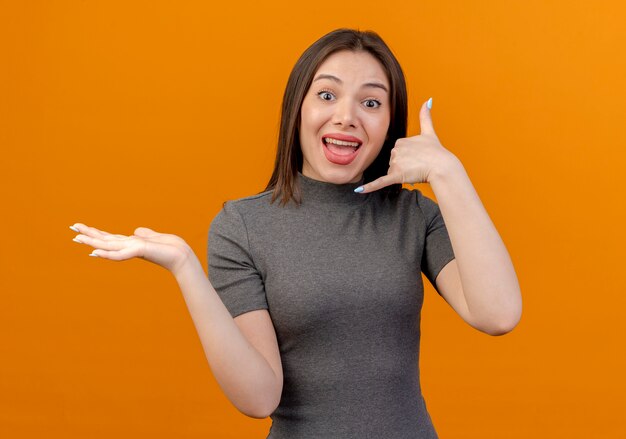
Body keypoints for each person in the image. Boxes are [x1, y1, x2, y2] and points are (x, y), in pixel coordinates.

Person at [70, 28, 522, 438]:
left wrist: (449, 172)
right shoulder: (241, 227)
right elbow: (258, 398)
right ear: (298, 107)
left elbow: (498, 314)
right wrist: (186, 268)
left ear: (390, 125)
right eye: (327, 95)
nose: (346, 117)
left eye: (371, 102)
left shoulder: (413, 215)